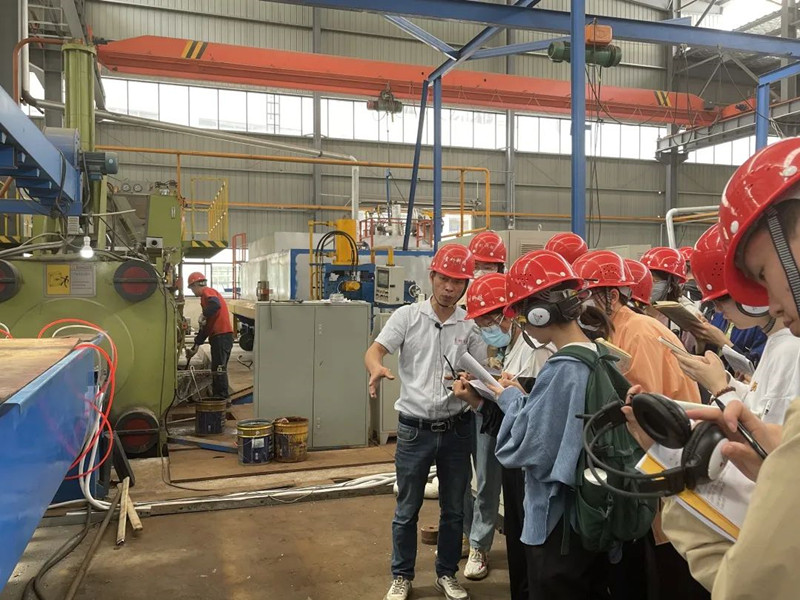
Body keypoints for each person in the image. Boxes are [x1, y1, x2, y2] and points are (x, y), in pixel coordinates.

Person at [622, 138, 800, 598]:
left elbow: (749, 586)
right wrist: (776, 461)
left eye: (764, 275)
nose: (770, 305)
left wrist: (678, 488)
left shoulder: (789, 350)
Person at [455, 249, 614, 600]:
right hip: (588, 512)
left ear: (541, 312)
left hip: (559, 520)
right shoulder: (598, 354)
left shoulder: (563, 369)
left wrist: (509, 400)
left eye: (524, 314)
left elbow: (527, 446)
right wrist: (522, 399)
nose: (523, 324)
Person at [572, 250, 705, 600]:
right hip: (652, 466)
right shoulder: (618, 330)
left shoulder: (640, 333)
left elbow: (642, 410)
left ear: (612, 296)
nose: (581, 304)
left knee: (665, 572)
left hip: (664, 464)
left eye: (586, 295)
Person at [365, 244, 486, 600]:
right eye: (444, 279)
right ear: (432, 276)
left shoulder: (469, 325)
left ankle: (446, 573)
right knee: (407, 509)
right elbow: (375, 350)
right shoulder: (407, 317)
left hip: (456, 429)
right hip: (414, 429)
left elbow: (482, 373)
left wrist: (473, 382)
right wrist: (376, 368)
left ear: (465, 285)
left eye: (457, 282)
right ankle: (401, 576)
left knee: (454, 509)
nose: (449, 288)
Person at [462, 273, 555, 598]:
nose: (486, 328)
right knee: (518, 537)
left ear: (508, 313)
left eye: (488, 321)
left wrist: (498, 395)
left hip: (531, 460)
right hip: (518, 455)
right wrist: (480, 396)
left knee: (532, 544)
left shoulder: (538, 349)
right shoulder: (518, 345)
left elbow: (534, 413)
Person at [185, 272, 233, 400]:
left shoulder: (208, 292)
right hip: (218, 336)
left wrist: (203, 314)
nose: (192, 292)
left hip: (222, 336)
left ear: (196, 285)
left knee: (219, 368)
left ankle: (222, 397)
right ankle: (218, 395)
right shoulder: (205, 301)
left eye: (192, 288)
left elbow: (215, 305)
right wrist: (196, 346)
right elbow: (206, 328)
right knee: (217, 367)